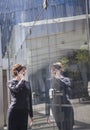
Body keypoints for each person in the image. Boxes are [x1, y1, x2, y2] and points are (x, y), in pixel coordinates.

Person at [47, 62, 74, 130]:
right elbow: (48, 99)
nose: (52, 71)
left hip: (66, 108)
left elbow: (68, 92)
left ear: (59, 70)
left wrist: (58, 78)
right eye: (51, 70)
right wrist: (48, 114)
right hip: (56, 110)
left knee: (68, 128)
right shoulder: (50, 82)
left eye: (54, 69)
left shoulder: (66, 80)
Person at [7, 64, 33, 130]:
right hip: (14, 112)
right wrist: (21, 80)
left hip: (24, 112)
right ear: (17, 72)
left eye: (24, 71)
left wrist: (31, 115)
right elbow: (16, 89)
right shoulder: (11, 82)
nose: (24, 73)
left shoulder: (27, 83)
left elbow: (29, 99)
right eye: (22, 71)